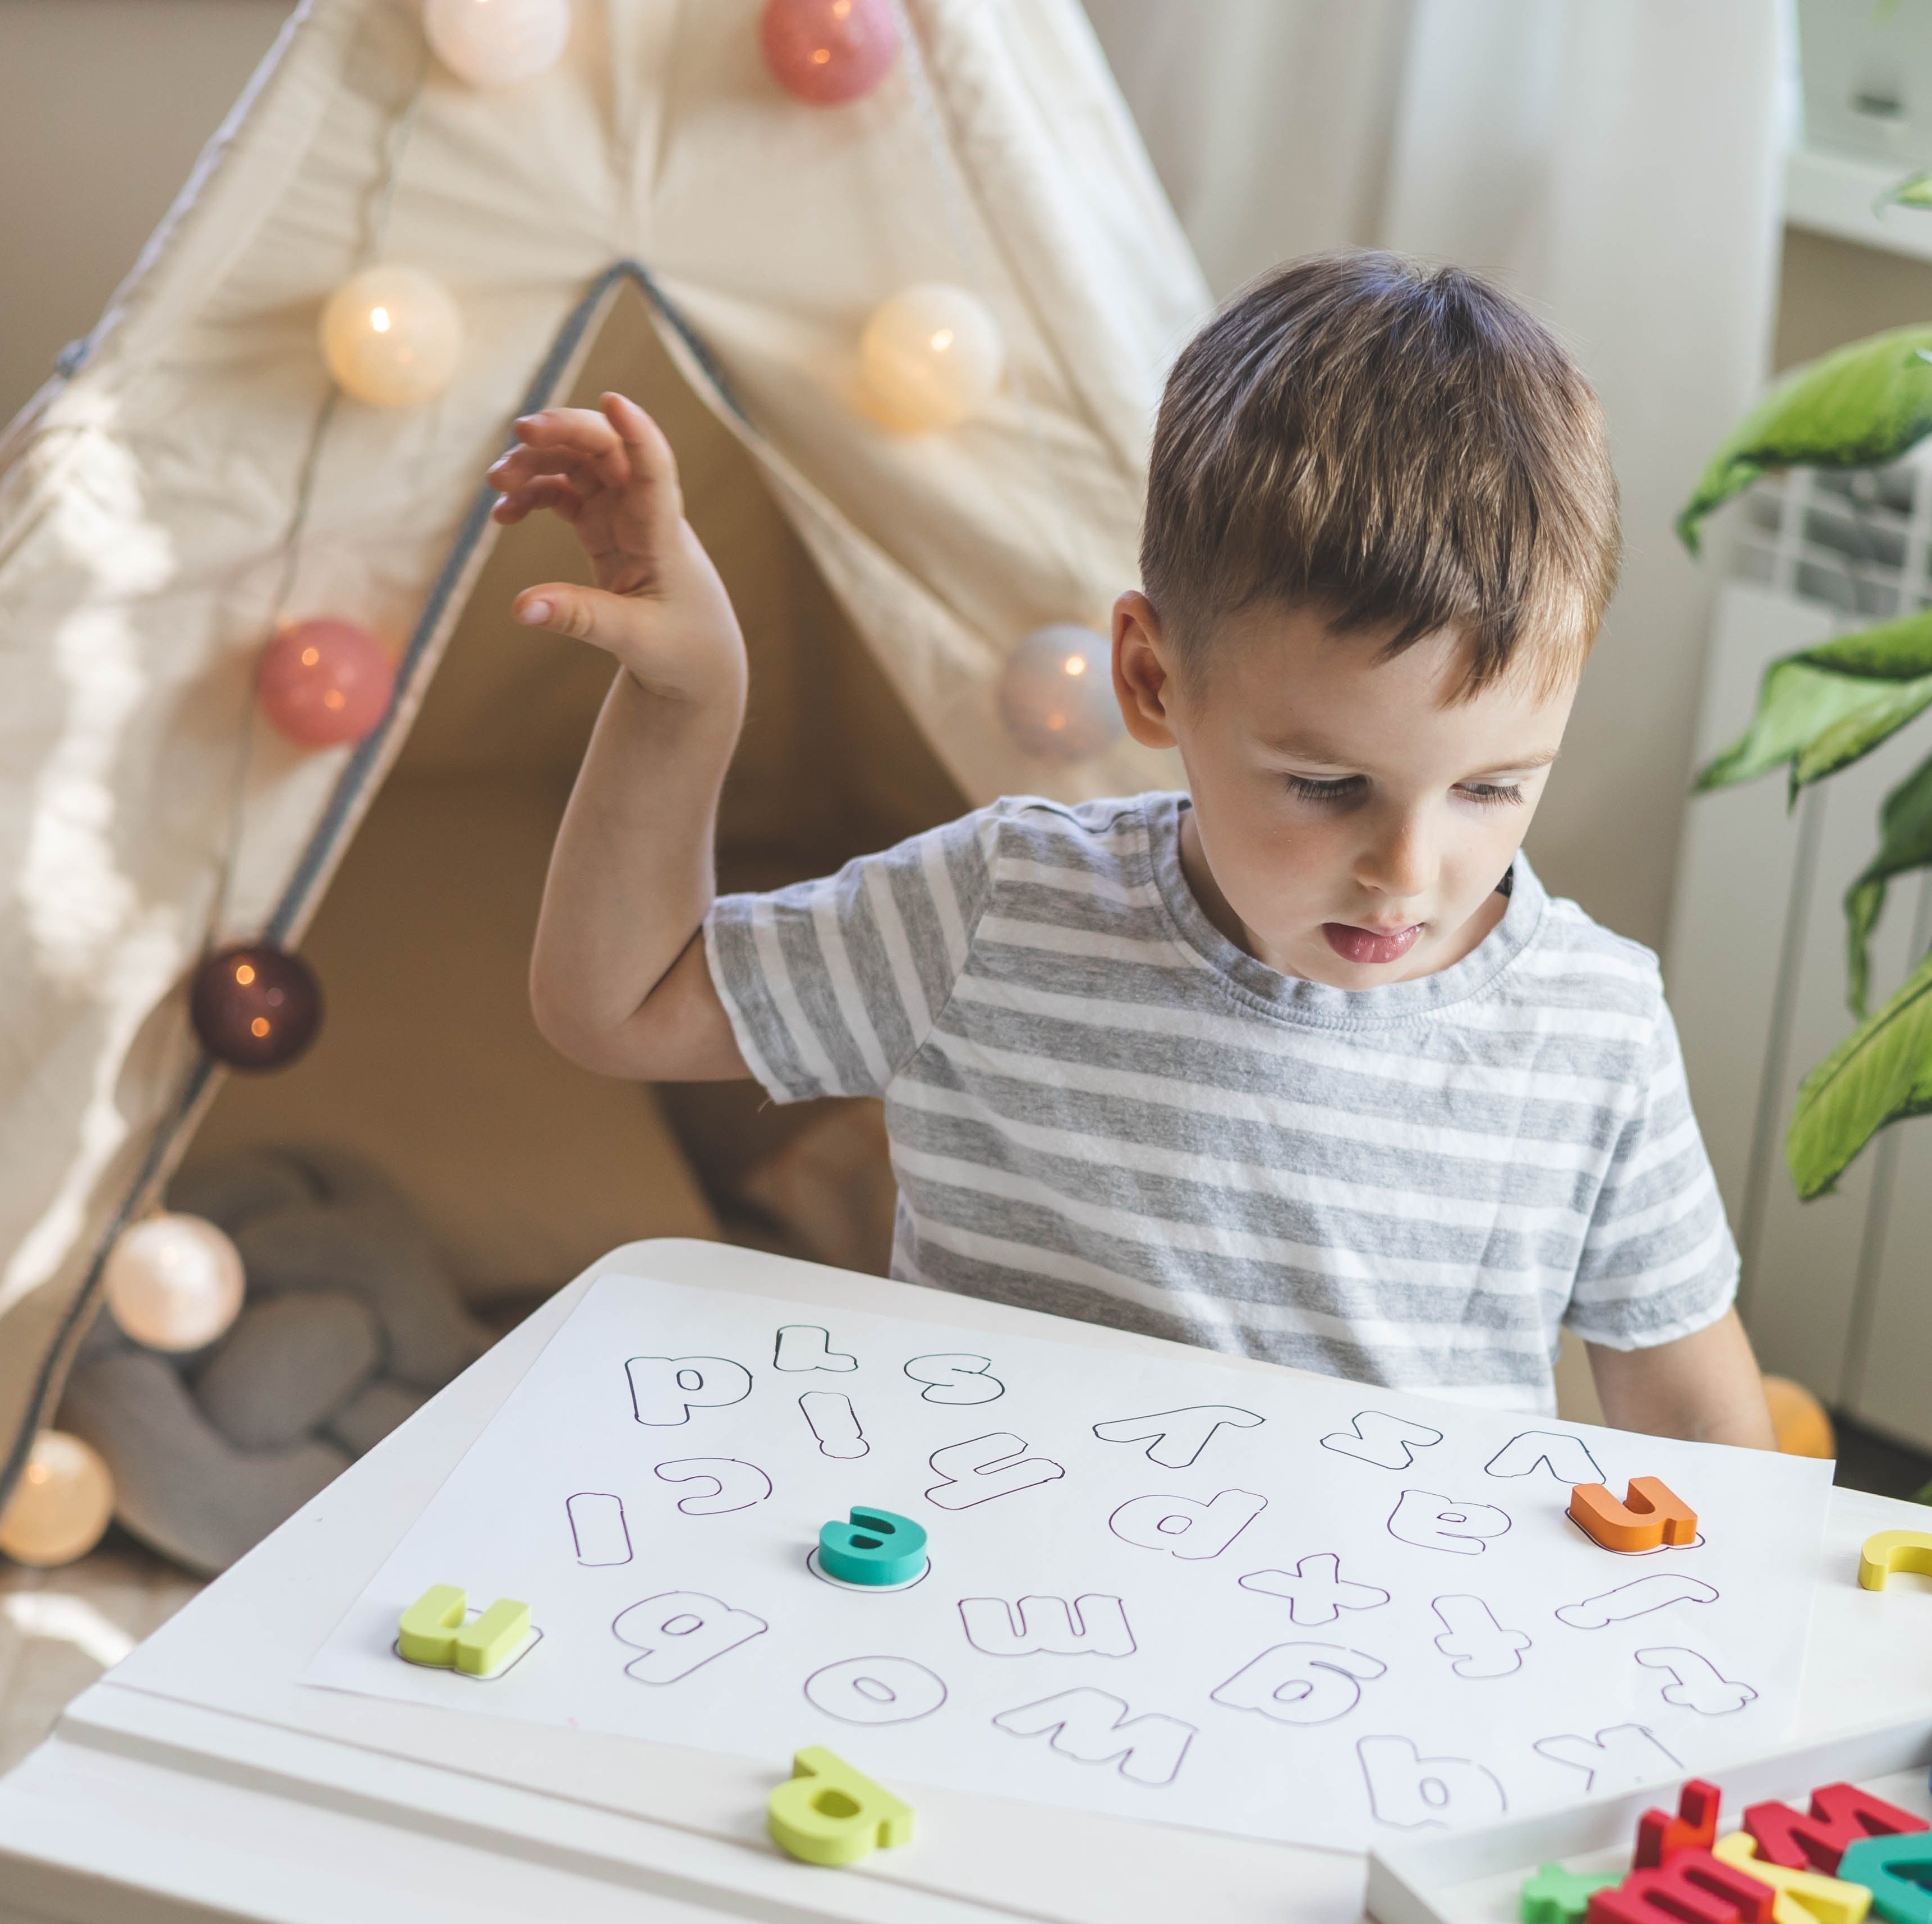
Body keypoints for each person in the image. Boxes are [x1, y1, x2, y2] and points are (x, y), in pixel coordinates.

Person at [502, 250, 1768, 1444]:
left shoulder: (1597, 1028)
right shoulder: (1002, 909)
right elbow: (623, 1007)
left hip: (1381, 1661)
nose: (1409, 867)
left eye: (1493, 787)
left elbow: (1702, 1423)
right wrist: (687, 706)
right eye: (1328, 784)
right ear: (1153, 680)